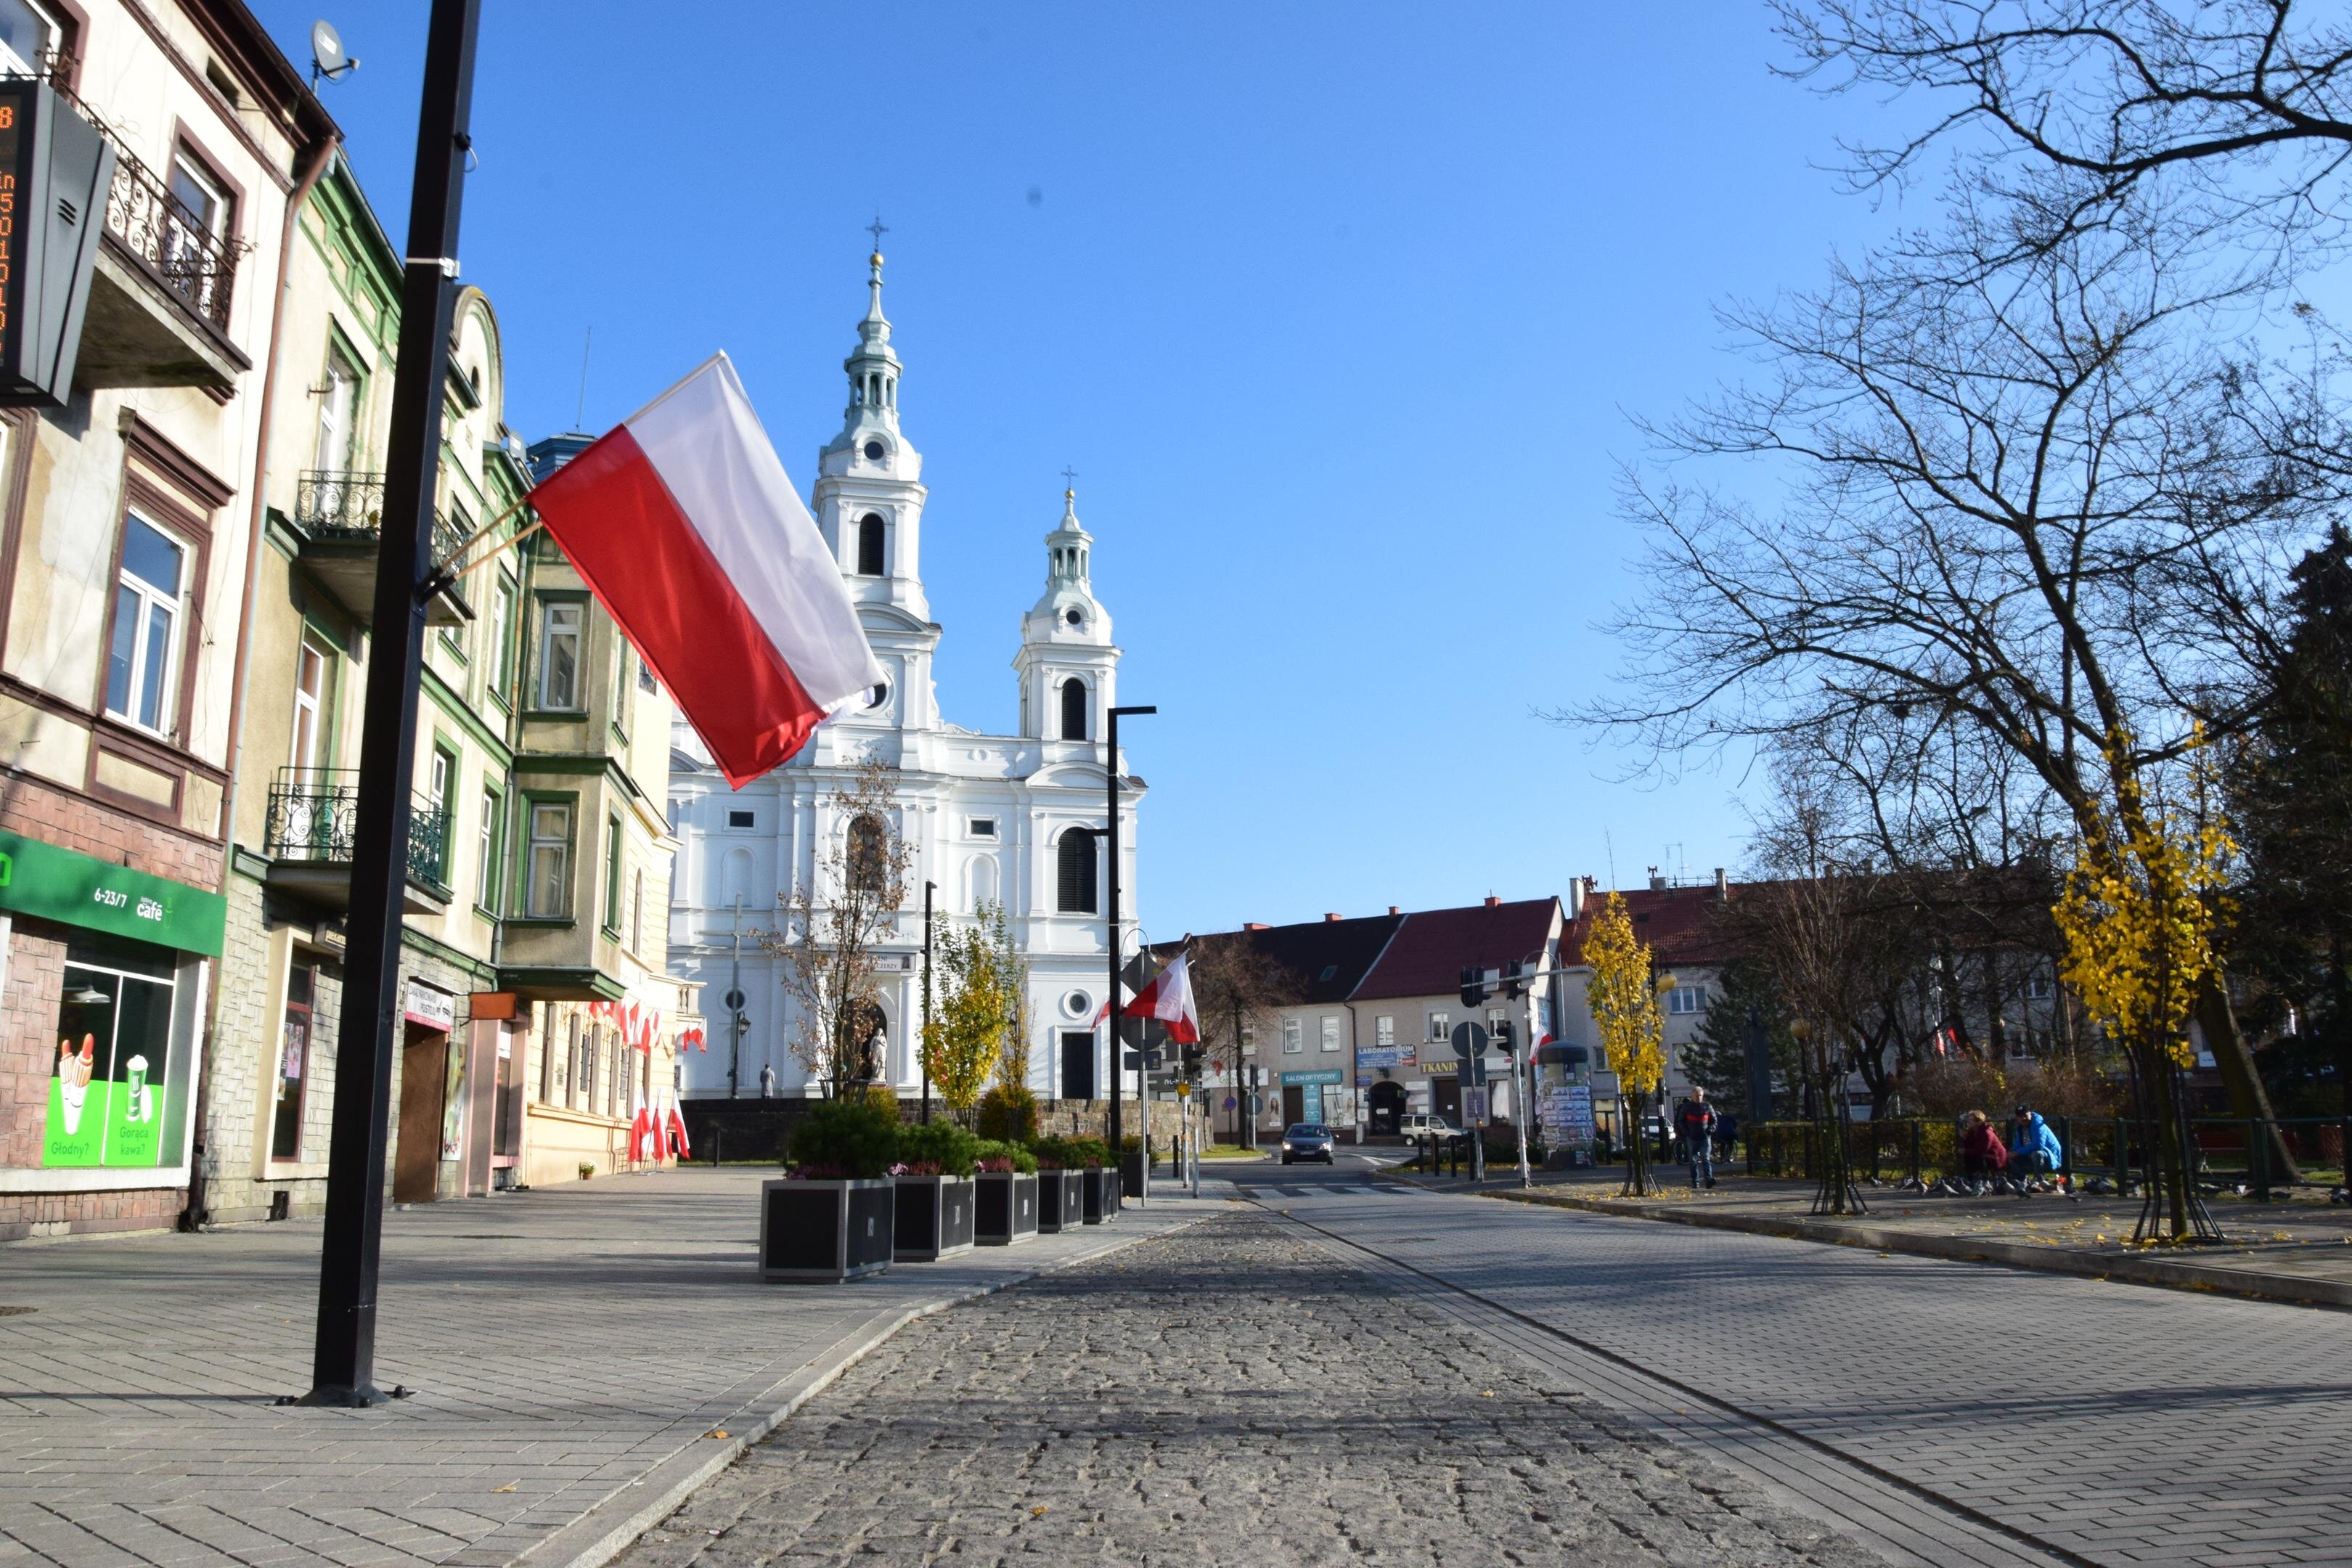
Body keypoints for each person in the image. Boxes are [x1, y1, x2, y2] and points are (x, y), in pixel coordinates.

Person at [2007, 1104, 2064, 1193]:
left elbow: (2038, 1145)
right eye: (2020, 1117)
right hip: (2031, 1155)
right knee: (2011, 1158)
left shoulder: (2038, 1124)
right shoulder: (2020, 1128)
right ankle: (2023, 1181)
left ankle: (2040, 1180)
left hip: (2049, 1155)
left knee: (2036, 1153)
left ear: (2030, 1114)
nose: (2023, 1119)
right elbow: (2019, 1144)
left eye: (2025, 1116)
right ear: (2017, 1118)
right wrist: (2011, 1152)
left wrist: (2018, 1152)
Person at [1676, 1085, 1720, 1189]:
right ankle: (1695, 1182)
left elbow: (1714, 1120)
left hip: (1705, 1137)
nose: (1698, 1097)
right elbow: (1680, 1121)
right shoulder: (1687, 1107)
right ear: (1692, 1096)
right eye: (1696, 1096)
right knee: (1693, 1160)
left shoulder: (1707, 1106)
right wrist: (1686, 1132)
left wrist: (1711, 1129)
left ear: (1703, 1096)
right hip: (1692, 1137)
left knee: (1706, 1158)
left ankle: (1709, 1180)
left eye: (1700, 1096)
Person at [1959, 1110, 2008, 1195]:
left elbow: (1983, 1150)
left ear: (1978, 1121)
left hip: (1996, 1157)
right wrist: (1964, 1137)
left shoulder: (1986, 1132)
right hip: (1986, 1155)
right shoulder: (1973, 1131)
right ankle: (1972, 1178)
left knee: (1979, 1156)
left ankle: (1983, 1180)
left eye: (1971, 1120)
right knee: (1968, 1156)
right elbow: (1969, 1145)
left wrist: (1966, 1151)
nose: (1968, 1122)